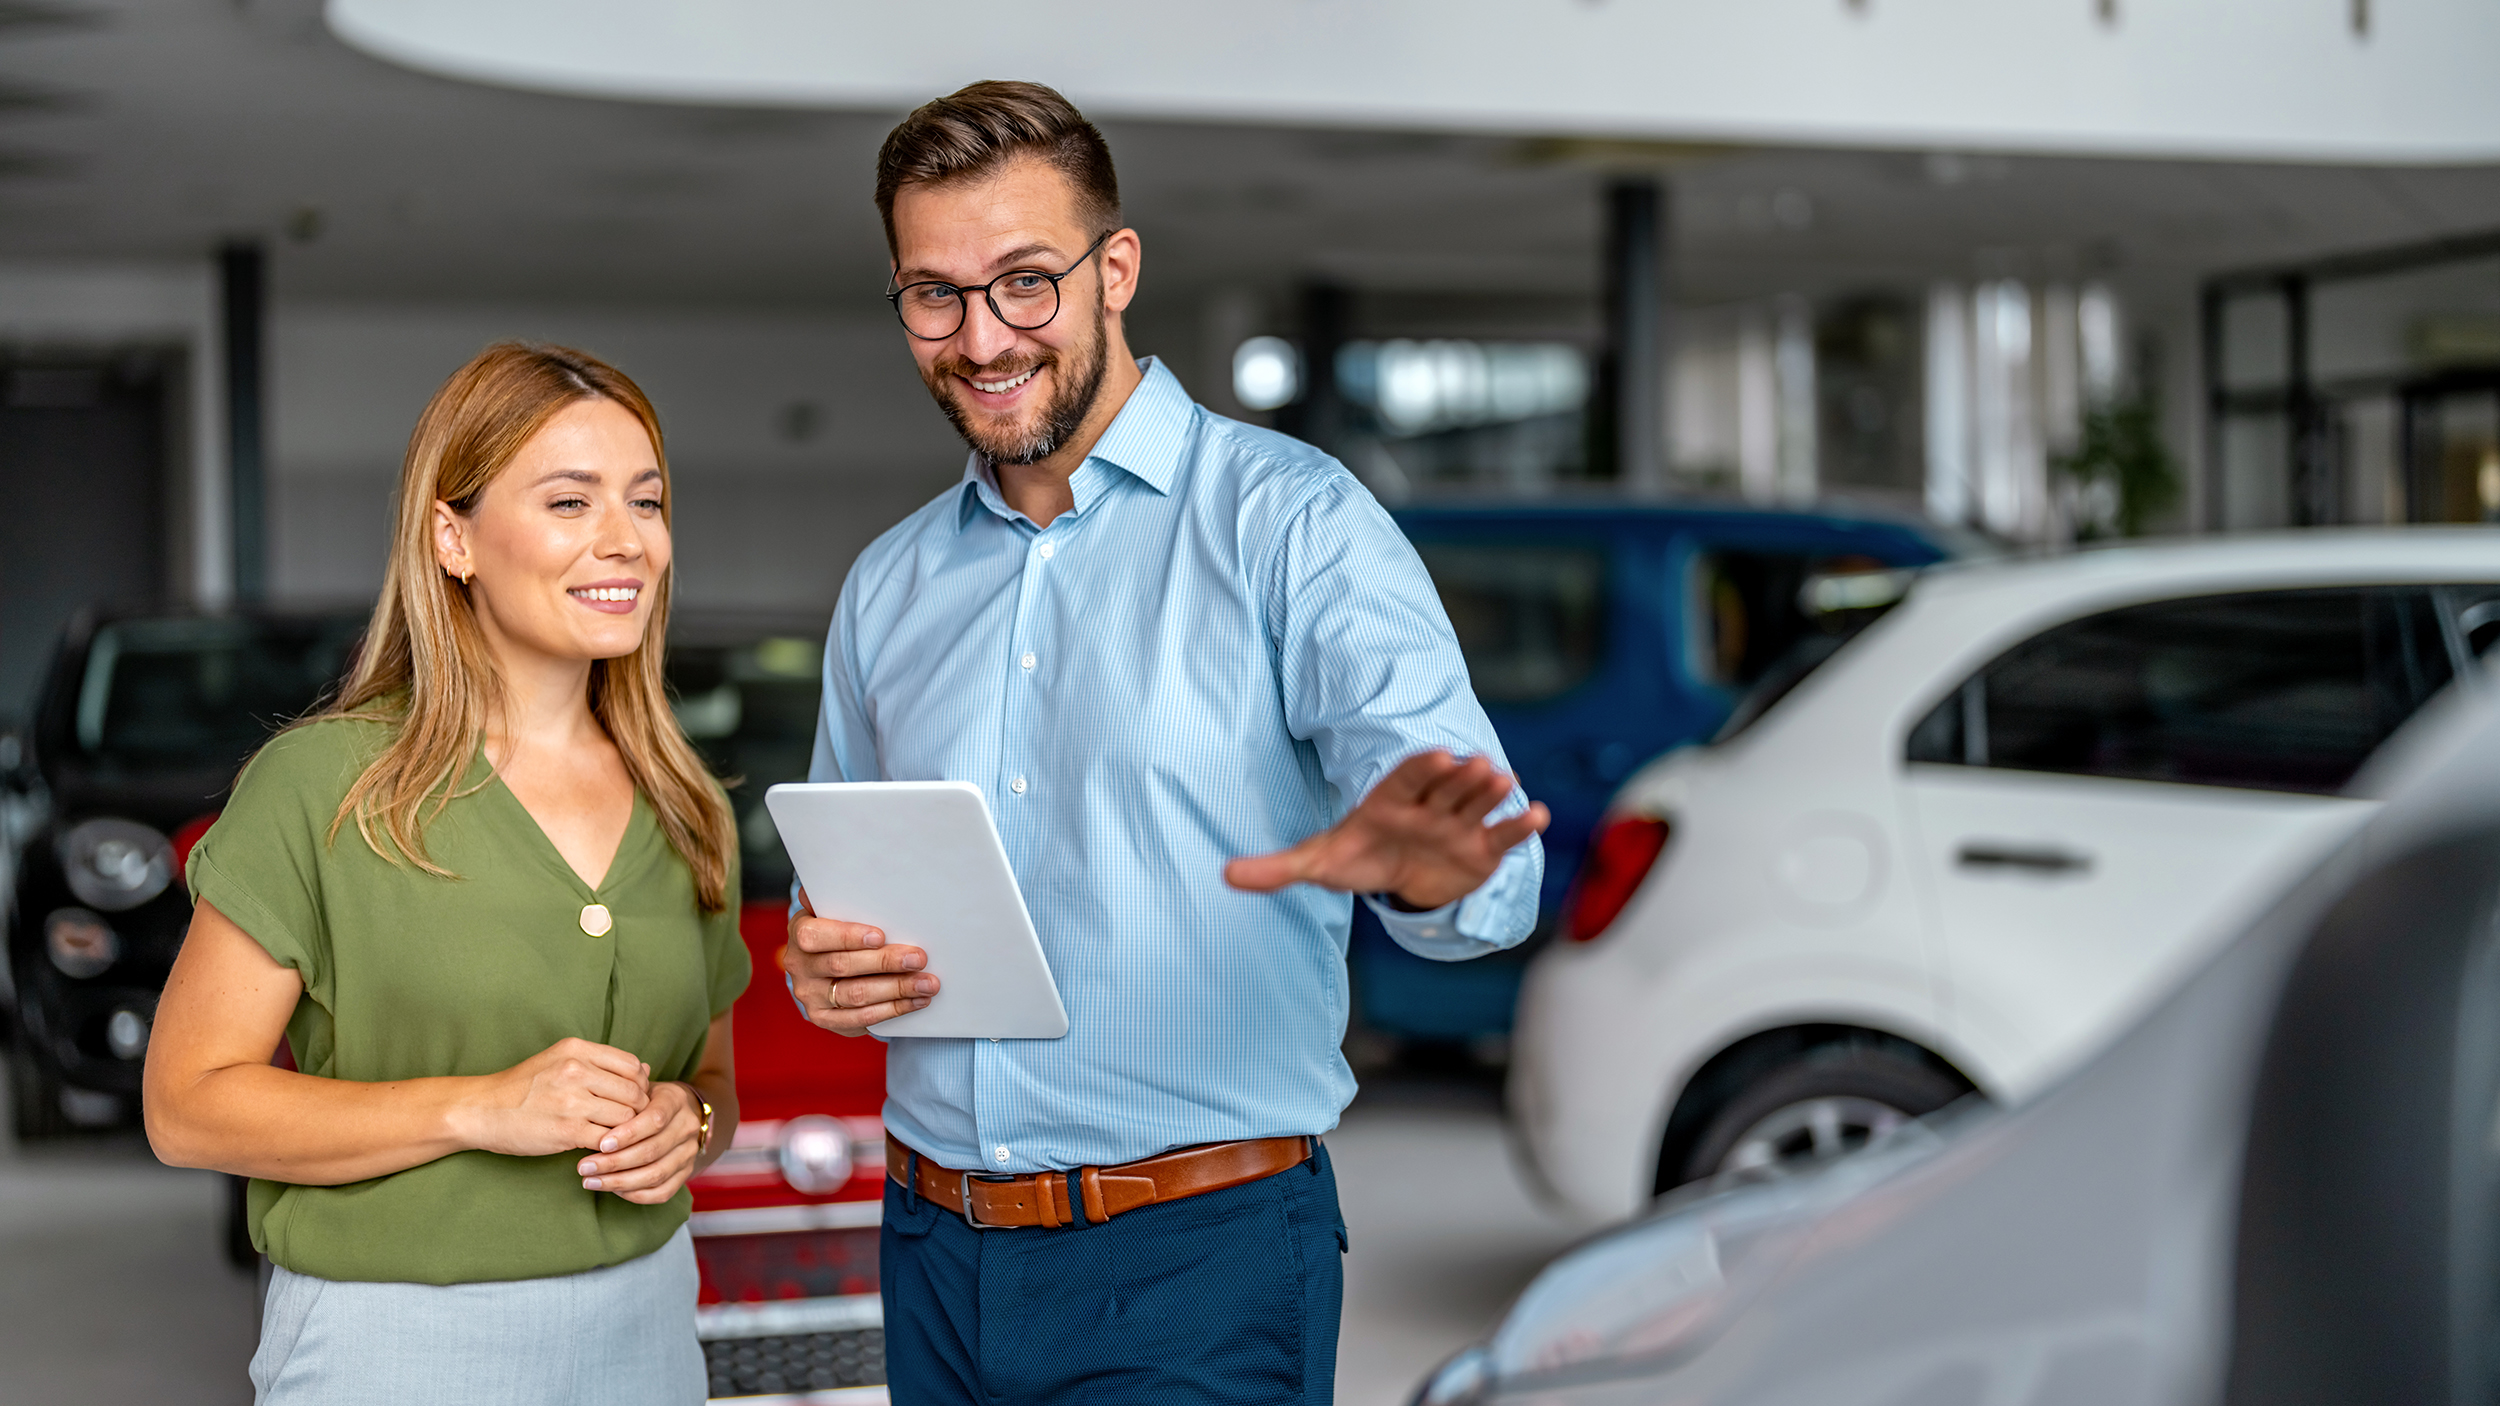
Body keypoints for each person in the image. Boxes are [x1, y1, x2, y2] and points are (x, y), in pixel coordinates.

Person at [782, 81, 1550, 1405]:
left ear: (1115, 268)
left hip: (1199, 1259)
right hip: (930, 1251)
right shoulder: (890, 584)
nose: (982, 337)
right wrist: (823, 965)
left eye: (1026, 282)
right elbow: (840, 896)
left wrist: (1423, 864)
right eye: (934, 294)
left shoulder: (1293, 525)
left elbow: (1491, 883)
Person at [143, 342, 750, 1405]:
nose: (625, 541)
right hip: (397, 1341)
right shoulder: (322, 786)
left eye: (645, 501)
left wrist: (683, 1125)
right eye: (570, 501)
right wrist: (479, 1107)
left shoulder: (685, 801)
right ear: (451, 535)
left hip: (648, 1327)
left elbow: (714, 1086)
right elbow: (187, 1105)